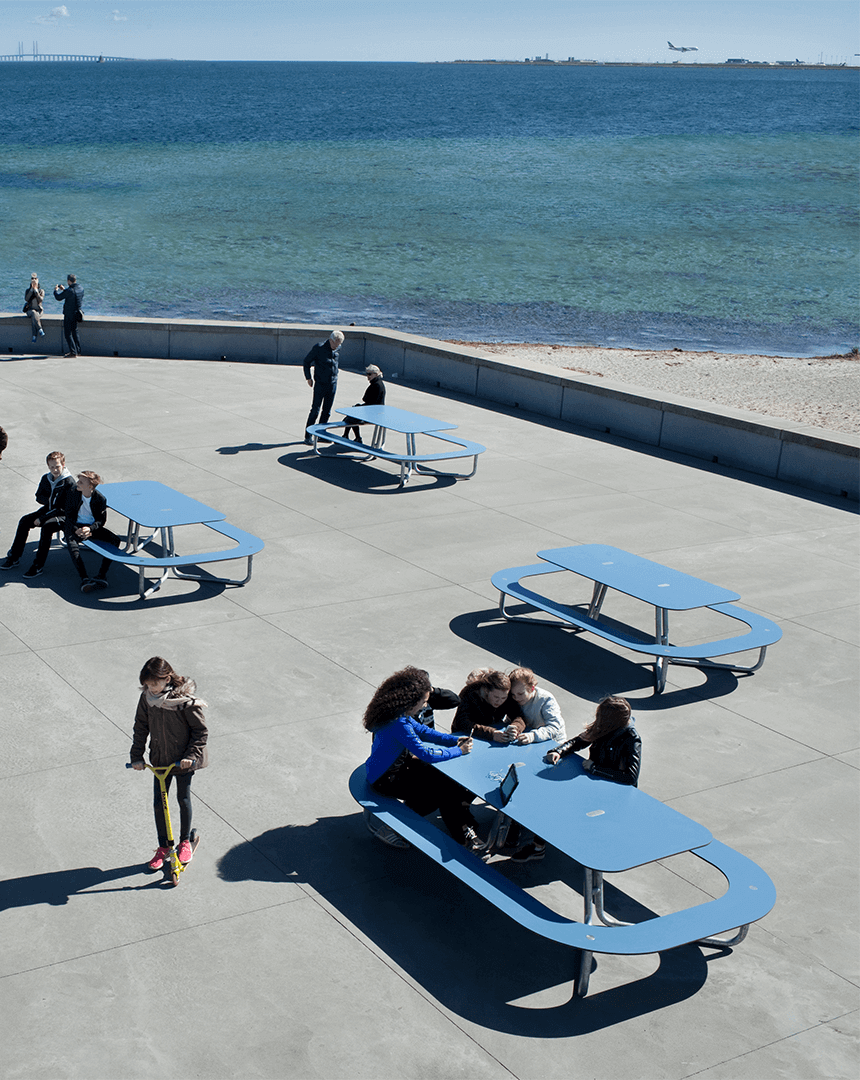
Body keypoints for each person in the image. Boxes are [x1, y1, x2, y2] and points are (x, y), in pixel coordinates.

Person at [363, 665, 485, 851]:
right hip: (385, 779)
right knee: (436, 795)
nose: (425, 705)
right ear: (412, 701)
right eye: (424, 701)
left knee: (445, 782)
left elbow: (424, 732)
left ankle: (460, 829)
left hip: (392, 769)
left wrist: (453, 740)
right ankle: (393, 828)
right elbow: (425, 753)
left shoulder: (399, 714)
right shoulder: (399, 723)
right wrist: (459, 751)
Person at [130, 657, 209, 870]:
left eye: (154, 684)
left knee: (183, 799)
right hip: (160, 760)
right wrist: (137, 756)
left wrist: (190, 756)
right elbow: (141, 727)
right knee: (160, 803)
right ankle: (164, 846)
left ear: (167, 679)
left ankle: (184, 842)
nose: (151, 688)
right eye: (147, 684)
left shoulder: (184, 701)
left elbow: (200, 732)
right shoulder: (147, 699)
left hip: (182, 761)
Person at [2, 450, 75, 576]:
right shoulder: (46, 478)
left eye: (57, 466)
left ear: (63, 465)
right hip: (49, 509)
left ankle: (38, 566)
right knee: (24, 520)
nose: (54, 470)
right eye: (51, 467)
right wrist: (51, 501)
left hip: (63, 515)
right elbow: (39, 496)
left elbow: (64, 509)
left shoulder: (69, 483)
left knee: (47, 527)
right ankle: (14, 557)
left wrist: (42, 518)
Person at [544, 696, 640, 786]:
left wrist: (595, 768)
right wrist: (558, 751)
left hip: (613, 785)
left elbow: (631, 777)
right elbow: (578, 742)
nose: (598, 719)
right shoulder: (603, 727)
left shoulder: (632, 738)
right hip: (594, 779)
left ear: (611, 721)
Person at [63, 471, 121, 593]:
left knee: (115, 540)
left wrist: (90, 529)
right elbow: (68, 515)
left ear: (90, 486)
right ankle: (84, 578)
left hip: (91, 527)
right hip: (74, 526)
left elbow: (101, 520)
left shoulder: (100, 499)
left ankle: (102, 575)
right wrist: (76, 529)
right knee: (73, 546)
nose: (77, 483)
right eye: (78, 481)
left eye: (81, 482)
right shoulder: (73, 493)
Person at [451, 668, 524, 743]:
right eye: (496, 697)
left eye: (503, 698)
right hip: (464, 735)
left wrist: (516, 727)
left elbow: (518, 715)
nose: (499, 701)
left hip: (494, 729)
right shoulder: (469, 693)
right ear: (486, 691)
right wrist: (491, 733)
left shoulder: (507, 694)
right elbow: (463, 723)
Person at [303, 330, 344, 444]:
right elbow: (306, 362)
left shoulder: (337, 348)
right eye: (336, 344)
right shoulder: (319, 348)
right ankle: (308, 436)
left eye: (339, 344)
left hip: (332, 384)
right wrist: (308, 378)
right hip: (320, 384)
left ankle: (321, 434)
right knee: (315, 410)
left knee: (327, 411)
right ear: (331, 340)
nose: (337, 346)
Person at [507, 667, 567, 744]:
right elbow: (512, 717)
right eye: (513, 694)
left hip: (554, 741)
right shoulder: (513, 698)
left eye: (520, 694)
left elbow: (554, 728)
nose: (516, 698)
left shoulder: (546, 699)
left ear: (532, 688)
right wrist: (513, 728)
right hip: (527, 734)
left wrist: (533, 736)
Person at [342, 364, 385, 443]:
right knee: (351, 416)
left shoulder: (376, 385)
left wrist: (360, 407)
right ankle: (350, 436)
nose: (367, 376)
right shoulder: (377, 383)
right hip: (374, 411)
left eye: (369, 374)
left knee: (350, 418)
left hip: (373, 413)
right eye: (367, 374)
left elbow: (367, 399)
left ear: (376, 374)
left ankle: (352, 436)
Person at [53, 273, 84, 357]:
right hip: (77, 313)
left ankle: (73, 352)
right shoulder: (80, 288)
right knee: (75, 332)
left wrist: (55, 290)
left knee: (67, 333)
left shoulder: (70, 290)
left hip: (69, 314)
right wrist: (64, 290)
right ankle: (78, 351)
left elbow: (58, 297)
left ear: (69, 281)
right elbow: (73, 296)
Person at [24, 273, 46, 344]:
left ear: (38, 280)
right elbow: (26, 299)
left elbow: (40, 300)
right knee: (33, 312)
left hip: (39, 311)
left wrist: (36, 291)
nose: (34, 280)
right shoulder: (27, 291)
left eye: (35, 279)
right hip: (29, 311)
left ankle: (34, 335)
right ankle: (40, 329)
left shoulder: (41, 291)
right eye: (32, 279)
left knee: (34, 317)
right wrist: (31, 290)